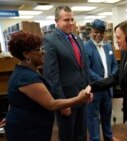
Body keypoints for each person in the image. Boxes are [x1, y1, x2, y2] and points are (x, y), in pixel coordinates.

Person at [5, 31, 92, 141]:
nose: (44, 52)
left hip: (31, 125)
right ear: (26, 54)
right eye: (38, 50)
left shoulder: (28, 71)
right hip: (28, 130)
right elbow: (51, 104)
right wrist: (78, 99)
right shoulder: (26, 77)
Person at [43, 6, 90, 141]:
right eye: (66, 20)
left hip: (82, 97)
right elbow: (51, 76)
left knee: (81, 135)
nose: (71, 23)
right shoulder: (50, 40)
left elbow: (84, 68)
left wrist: (88, 89)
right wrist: (63, 103)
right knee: (68, 136)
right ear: (56, 21)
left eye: (72, 19)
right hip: (66, 100)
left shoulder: (77, 38)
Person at [84, 19, 119, 141]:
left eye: (101, 32)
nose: (98, 34)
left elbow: (115, 65)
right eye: (96, 31)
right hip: (94, 90)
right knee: (93, 118)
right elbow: (87, 69)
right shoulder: (85, 47)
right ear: (91, 30)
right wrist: (102, 82)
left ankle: (109, 137)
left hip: (108, 89)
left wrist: (110, 79)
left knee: (107, 115)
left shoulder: (108, 46)